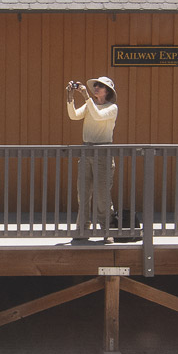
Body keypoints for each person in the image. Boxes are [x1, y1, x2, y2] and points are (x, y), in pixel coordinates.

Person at [66, 76, 119, 244]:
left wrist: (86, 96)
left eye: (100, 86)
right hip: (86, 150)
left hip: (103, 151)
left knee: (102, 194)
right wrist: (70, 97)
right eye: (95, 85)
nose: (96, 87)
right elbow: (73, 116)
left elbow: (98, 116)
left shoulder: (112, 107)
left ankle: (106, 228)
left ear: (107, 91)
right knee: (83, 192)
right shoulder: (90, 105)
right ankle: (83, 228)